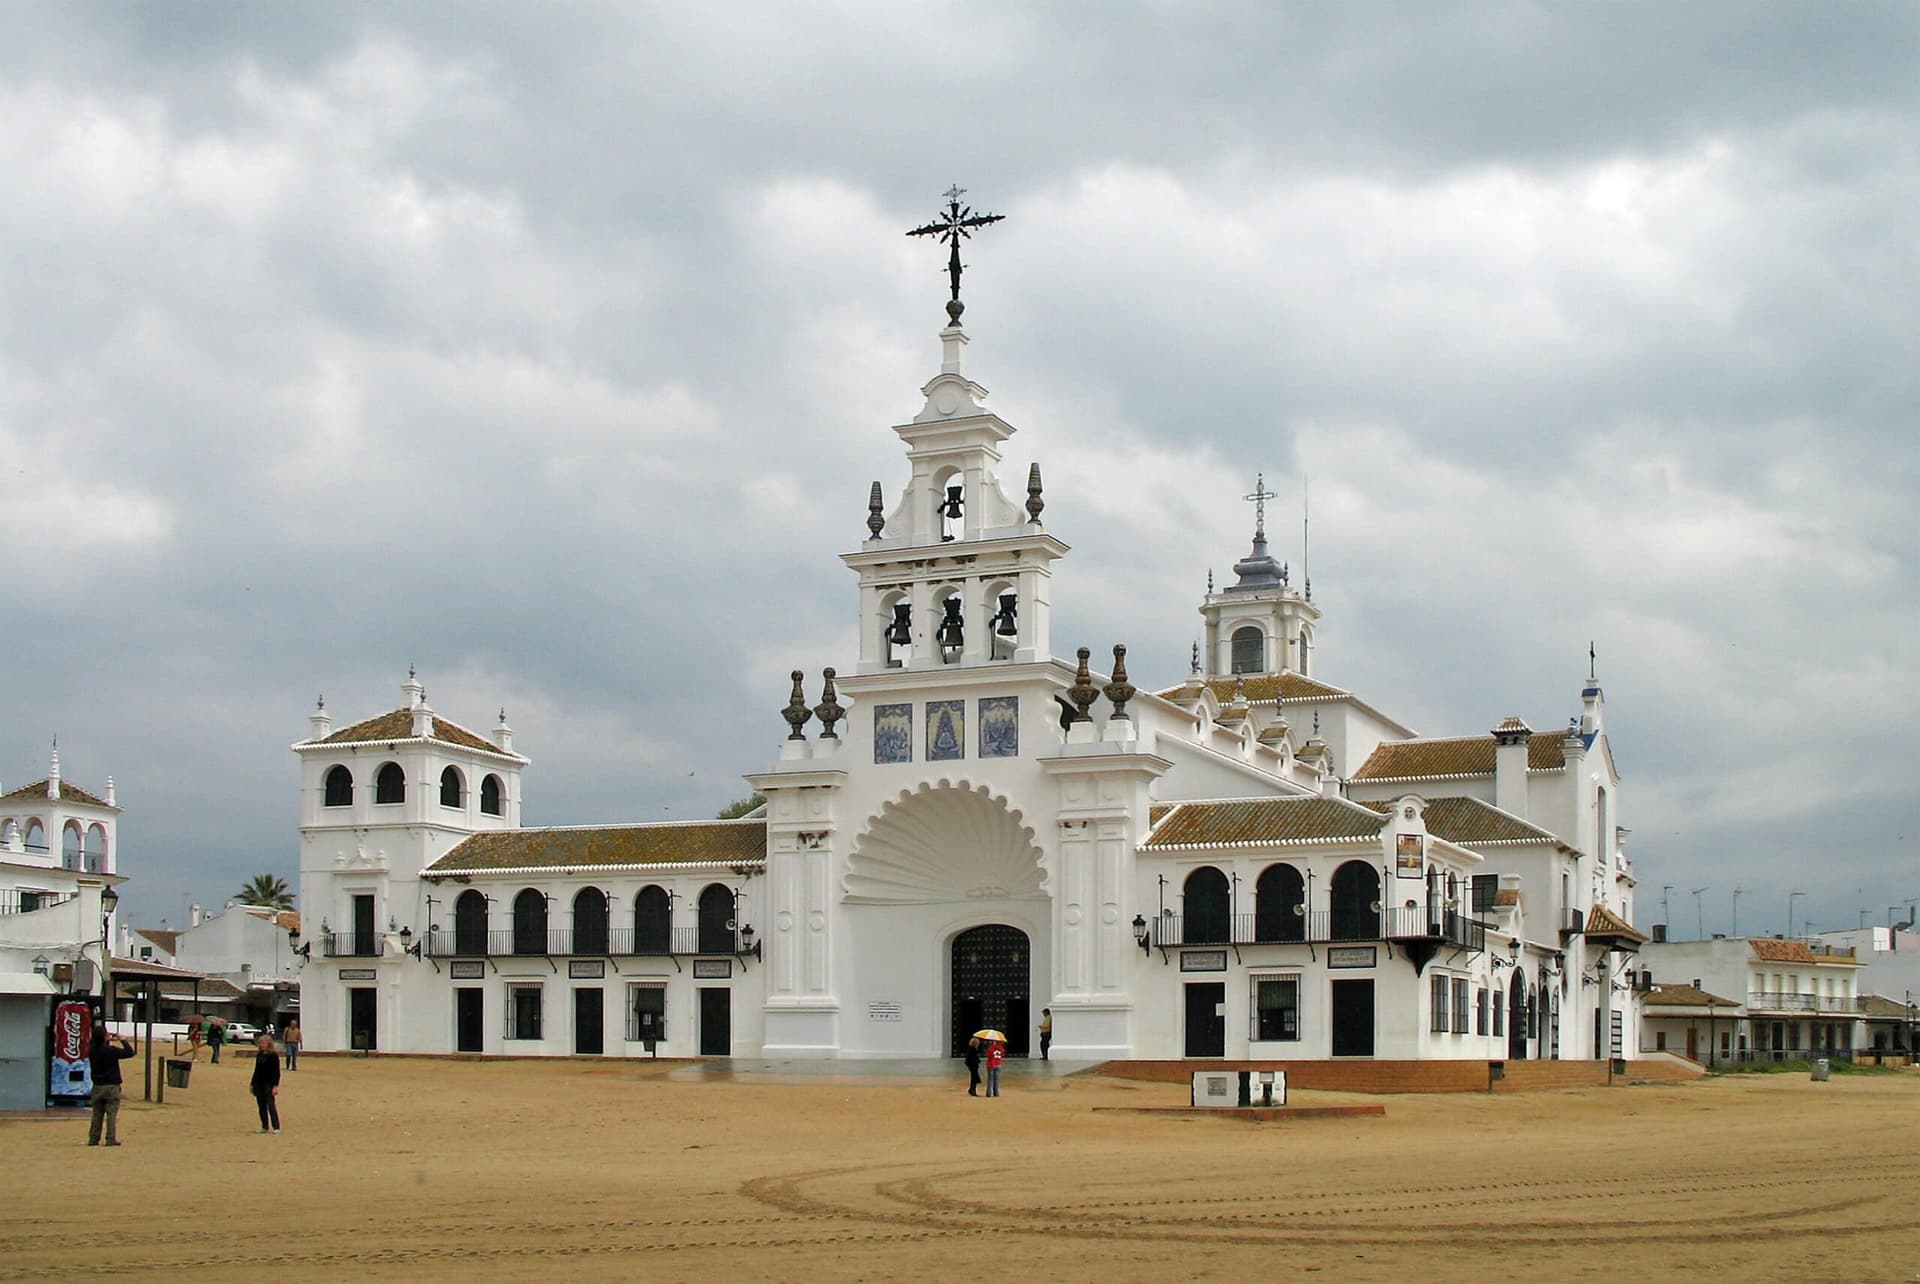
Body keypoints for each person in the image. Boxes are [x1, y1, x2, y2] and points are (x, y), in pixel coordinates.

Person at [87, 1024, 136, 1146]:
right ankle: (110, 1138)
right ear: (105, 1037)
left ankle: (93, 1138)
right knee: (111, 1114)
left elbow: (96, 1045)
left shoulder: (92, 1050)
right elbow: (130, 1053)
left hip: (97, 1085)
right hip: (112, 1085)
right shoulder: (111, 1051)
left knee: (97, 1114)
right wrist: (123, 1040)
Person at [250, 1032, 282, 1134]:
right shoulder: (259, 1055)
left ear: (269, 1044)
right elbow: (256, 1070)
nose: (262, 1045)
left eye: (264, 1043)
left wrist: (275, 1086)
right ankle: (264, 1126)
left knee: (271, 1105)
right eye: (261, 1043)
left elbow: (277, 1072)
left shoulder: (273, 1056)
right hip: (258, 1083)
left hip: (269, 1083)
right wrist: (252, 1083)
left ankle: (276, 1127)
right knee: (261, 1106)